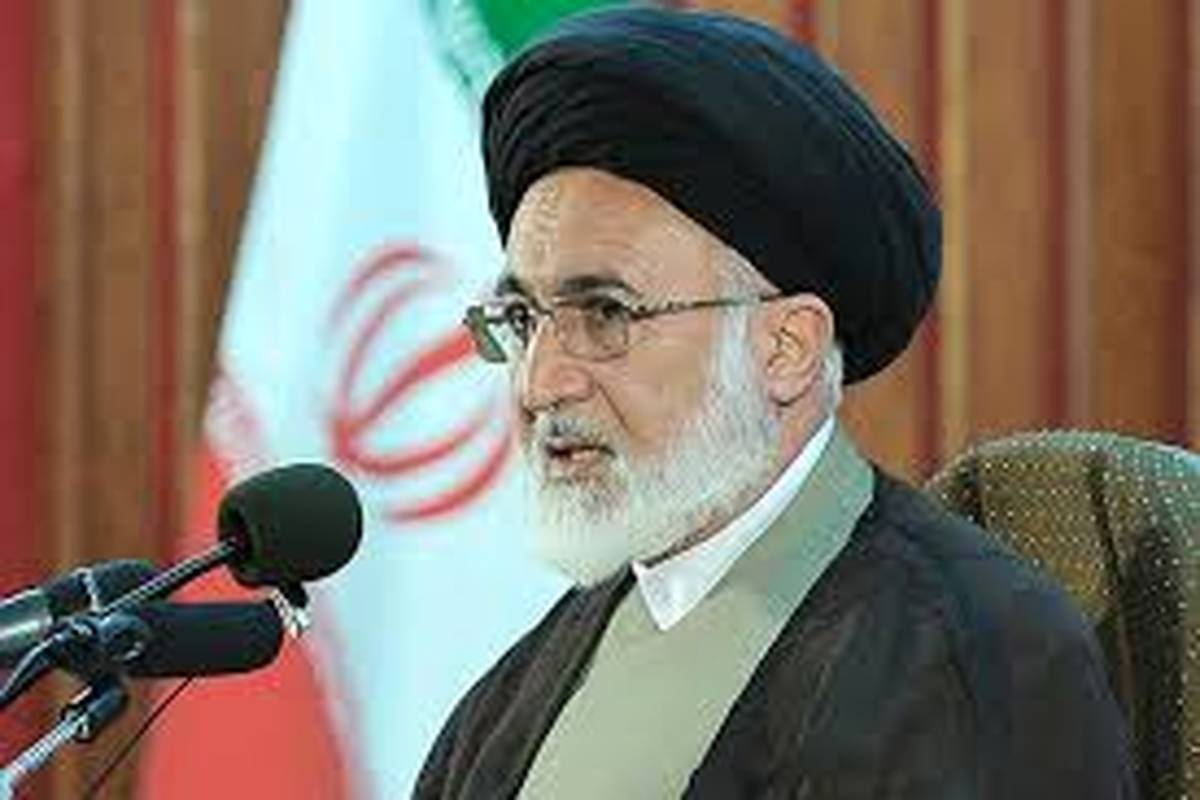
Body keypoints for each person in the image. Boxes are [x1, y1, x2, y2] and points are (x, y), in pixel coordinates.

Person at [417, 8, 1136, 798]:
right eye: (524, 319)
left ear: (785, 348)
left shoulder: (971, 661)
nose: (538, 382)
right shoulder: (520, 690)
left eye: (606, 313)